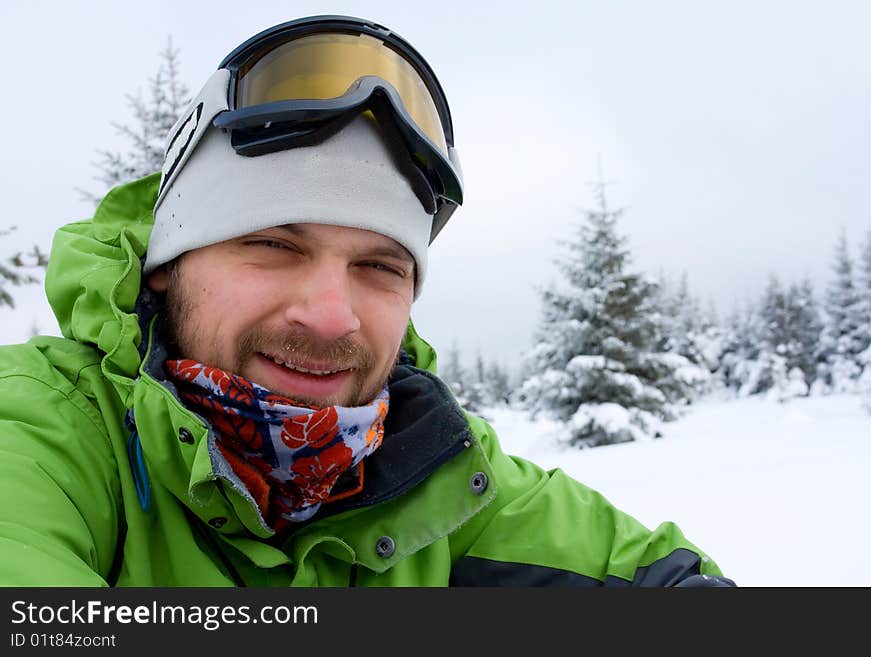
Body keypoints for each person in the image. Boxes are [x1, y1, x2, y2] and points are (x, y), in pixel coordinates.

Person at [0, 15, 734, 587]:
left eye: (380, 266)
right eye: (274, 246)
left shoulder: (433, 473)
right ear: (166, 266)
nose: (329, 314)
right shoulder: (45, 429)